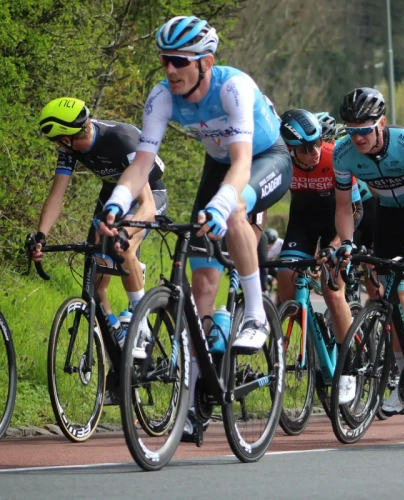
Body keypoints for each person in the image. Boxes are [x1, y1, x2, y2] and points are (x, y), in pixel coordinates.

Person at [95, 15, 292, 437]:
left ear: (206, 61)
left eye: (180, 61)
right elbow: (141, 165)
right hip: (218, 163)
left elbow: (242, 164)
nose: (170, 69)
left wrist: (222, 205)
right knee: (202, 281)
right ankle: (203, 386)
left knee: (234, 208)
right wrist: (115, 204)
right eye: (165, 60)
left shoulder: (232, 87)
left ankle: (256, 314)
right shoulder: (163, 96)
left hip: (264, 159)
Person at [332, 87, 404, 415]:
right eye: (351, 131)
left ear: (381, 123)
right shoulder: (342, 154)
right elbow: (343, 206)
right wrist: (347, 243)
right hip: (387, 212)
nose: (357, 139)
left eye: (364, 131)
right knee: (388, 298)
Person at [32, 97, 168, 362]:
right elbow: (57, 194)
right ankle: (117, 341)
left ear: (66, 138)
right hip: (111, 195)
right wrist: (41, 236)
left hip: (148, 193)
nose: (57, 146)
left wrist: (126, 235)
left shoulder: (121, 139)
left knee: (123, 249)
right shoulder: (69, 150)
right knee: (93, 277)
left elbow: (147, 204)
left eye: (56, 141)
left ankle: (141, 325)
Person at [276, 109, 364, 402]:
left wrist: (338, 244)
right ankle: (313, 341)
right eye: (304, 147)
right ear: (290, 149)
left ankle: (349, 365)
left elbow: (353, 210)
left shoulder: (333, 156)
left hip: (338, 220)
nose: (313, 151)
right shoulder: (281, 161)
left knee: (331, 289)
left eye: (315, 143)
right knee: (286, 279)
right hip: (301, 222)